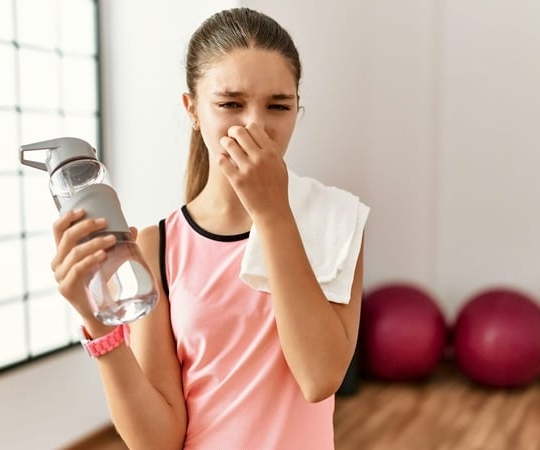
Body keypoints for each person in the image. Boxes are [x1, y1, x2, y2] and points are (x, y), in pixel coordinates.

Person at [50, 7, 365, 450]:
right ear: (192, 109)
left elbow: (319, 377)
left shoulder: (336, 218)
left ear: (298, 110)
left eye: (278, 105)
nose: (255, 125)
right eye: (230, 104)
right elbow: (158, 441)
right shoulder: (158, 245)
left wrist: (272, 213)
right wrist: (97, 323)